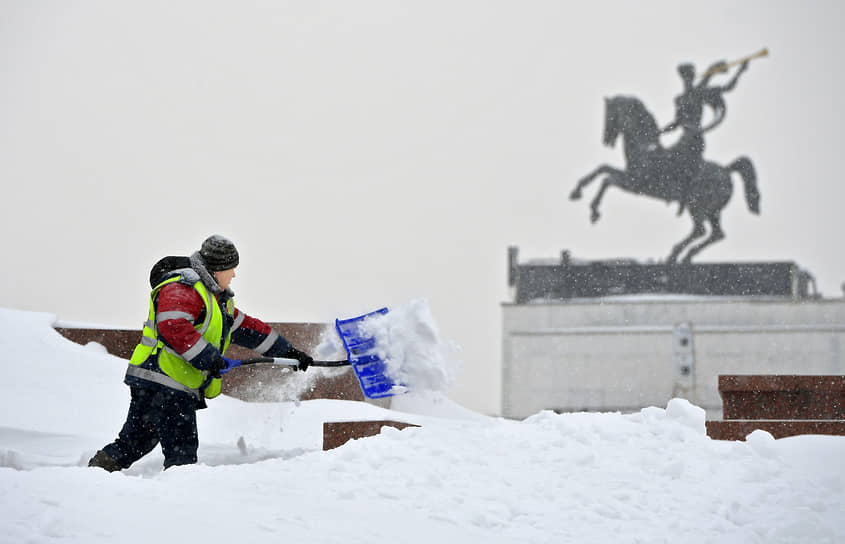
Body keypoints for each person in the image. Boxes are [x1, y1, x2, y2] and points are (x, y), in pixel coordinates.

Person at [88, 235, 314, 471]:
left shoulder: (217, 300)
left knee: (135, 442)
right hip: (165, 382)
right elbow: (173, 326)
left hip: (162, 383)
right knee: (181, 454)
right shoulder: (184, 288)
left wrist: (289, 352)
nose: (234, 275)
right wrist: (209, 358)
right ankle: (182, 498)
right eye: (231, 269)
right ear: (218, 269)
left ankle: (96, 473)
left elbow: (249, 330)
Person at [660, 59, 749, 214]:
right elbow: (676, 122)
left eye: (689, 76)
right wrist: (661, 131)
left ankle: (684, 194)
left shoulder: (699, 92)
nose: (687, 79)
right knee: (666, 159)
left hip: (695, 139)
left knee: (684, 163)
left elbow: (728, 87)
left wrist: (740, 71)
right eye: (685, 77)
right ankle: (677, 192)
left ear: (693, 77)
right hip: (683, 138)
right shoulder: (680, 99)